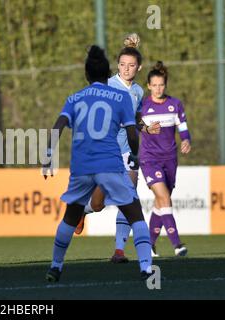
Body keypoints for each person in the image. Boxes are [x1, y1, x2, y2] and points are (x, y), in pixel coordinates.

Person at [43, 45, 153, 282]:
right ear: (108, 74)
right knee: (135, 214)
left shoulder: (74, 98)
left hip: (81, 168)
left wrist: (48, 155)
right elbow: (132, 134)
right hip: (110, 165)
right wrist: (134, 155)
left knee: (69, 218)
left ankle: (55, 266)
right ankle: (145, 268)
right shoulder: (122, 96)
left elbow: (58, 125)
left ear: (86, 75)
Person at [74, 33, 160, 264]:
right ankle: (83, 210)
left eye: (131, 65)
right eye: (122, 65)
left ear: (139, 68)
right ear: (117, 66)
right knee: (99, 203)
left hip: (128, 151)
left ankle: (119, 250)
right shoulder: (107, 85)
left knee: (128, 195)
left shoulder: (139, 91)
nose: (126, 69)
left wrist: (146, 128)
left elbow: (136, 118)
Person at [140, 61, 191, 257]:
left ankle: (149, 244)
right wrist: (145, 128)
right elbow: (132, 124)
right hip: (149, 159)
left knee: (161, 202)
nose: (158, 88)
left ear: (165, 85)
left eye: (161, 85)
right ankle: (177, 244)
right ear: (149, 86)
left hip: (170, 158)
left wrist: (186, 140)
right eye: (155, 85)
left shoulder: (175, 104)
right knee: (164, 197)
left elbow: (183, 127)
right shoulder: (143, 105)